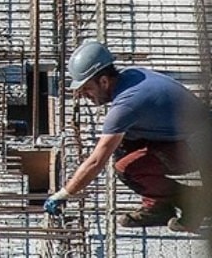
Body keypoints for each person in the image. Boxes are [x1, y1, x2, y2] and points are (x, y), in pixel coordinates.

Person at [44, 40, 212, 233]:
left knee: (126, 168)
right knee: (122, 144)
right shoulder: (131, 75)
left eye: (87, 89)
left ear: (104, 81)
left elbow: (96, 161)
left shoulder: (126, 105)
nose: (84, 96)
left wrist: (64, 193)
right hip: (191, 134)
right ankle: (158, 208)